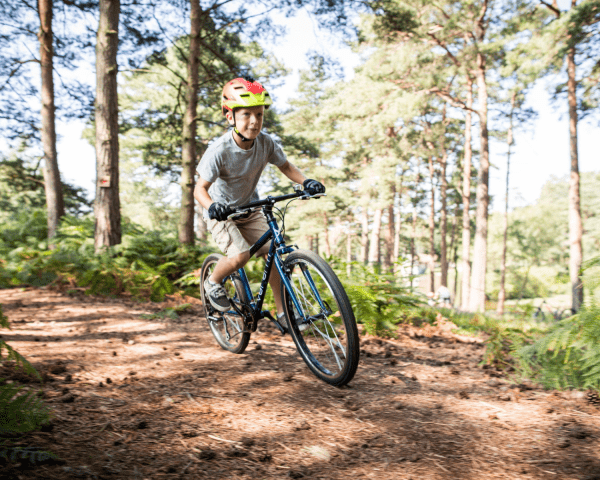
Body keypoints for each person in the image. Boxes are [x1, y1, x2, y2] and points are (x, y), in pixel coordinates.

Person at [194, 76, 324, 329]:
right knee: (240, 255)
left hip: (250, 210)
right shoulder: (219, 150)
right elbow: (199, 189)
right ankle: (213, 283)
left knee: (275, 254)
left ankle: (283, 313)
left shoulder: (265, 143)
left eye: (259, 115)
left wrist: (307, 181)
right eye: (246, 115)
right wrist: (212, 206)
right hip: (223, 214)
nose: (254, 121)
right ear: (230, 116)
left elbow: (285, 166)